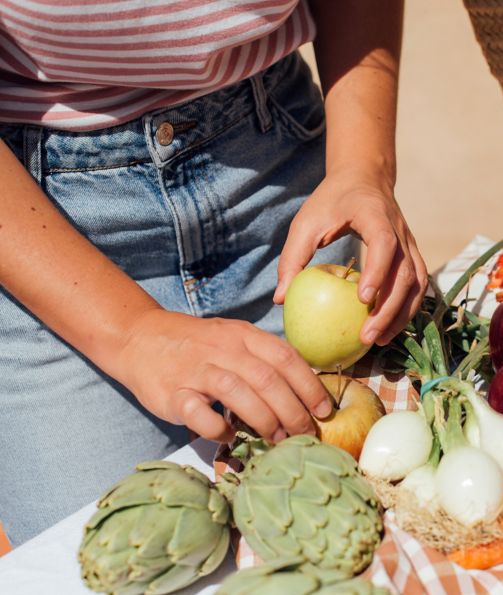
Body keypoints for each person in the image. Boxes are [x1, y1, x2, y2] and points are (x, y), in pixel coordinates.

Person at [0, 0, 427, 546]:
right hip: (43, 235)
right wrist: (130, 333)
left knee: (381, 540)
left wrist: (362, 168)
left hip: (285, 186)